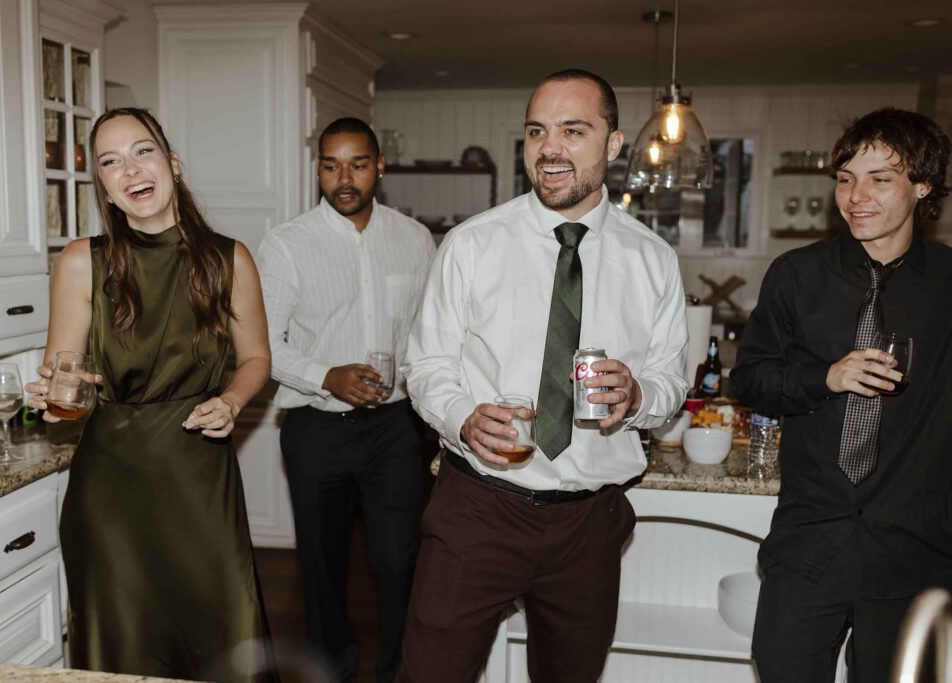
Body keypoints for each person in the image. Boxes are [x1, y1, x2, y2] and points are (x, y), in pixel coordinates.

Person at [398, 69, 689, 683]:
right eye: (537, 132)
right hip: (478, 509)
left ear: (613, 144)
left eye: (572, 130)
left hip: (589, 525)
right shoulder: (471, 245)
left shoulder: (653, 261)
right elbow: (426, 365)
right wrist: (461, 417)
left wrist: (638, 395)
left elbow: (670, 385)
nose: (549, 149)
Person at [25, 108, 277, 682]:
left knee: (223, 634)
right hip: (111, 490)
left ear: (172, 164)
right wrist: (55, 392)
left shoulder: (227, 258)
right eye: (111, 162)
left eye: (142, 151)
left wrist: (233, 401)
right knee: (124, 643)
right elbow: (67, 374)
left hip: (199, 482)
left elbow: (258, 358)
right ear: (106, 191)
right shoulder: (79, 263)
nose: (130, 170)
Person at [731, 107, 952, 682]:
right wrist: (823, 377)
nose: (856, 197)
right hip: (809, 545)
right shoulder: (796, 275)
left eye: (880, 179)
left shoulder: (950, 285)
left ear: (923, 186)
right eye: (846, 178)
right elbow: (750, 380)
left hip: (915, 551)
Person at [258, 117, 436, 682]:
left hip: (397, 429)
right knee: (321, 564)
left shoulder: (413, 238)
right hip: (317, 428)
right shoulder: (287, 244)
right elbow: (261, 344)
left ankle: (396, 669)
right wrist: (324, 375)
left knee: (398, 558)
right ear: (317, 168)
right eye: (331, 164)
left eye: (357, 163)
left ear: (379, 165)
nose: (344, 177)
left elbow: (428, 332)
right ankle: (332, 668)